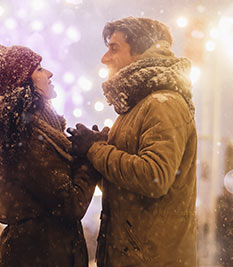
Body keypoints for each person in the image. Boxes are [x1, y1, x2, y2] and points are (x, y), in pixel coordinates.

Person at [68, 17, 197, 266]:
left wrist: (96, 149)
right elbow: (126, 189)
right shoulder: (138, 106)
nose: (105, 58)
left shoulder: (163, 104)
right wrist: (96, 154)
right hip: (134, 256)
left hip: (151, 258)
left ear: (143, 51)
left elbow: (154, 177)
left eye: (114, 48)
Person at [0, 42, 99, 267]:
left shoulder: (34, 130)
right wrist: (90, 158)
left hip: (40, 251)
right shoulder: (24, 136)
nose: (49, 72)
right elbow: (71, 204)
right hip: (42, 254)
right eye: (40, 69)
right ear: (23, 82)